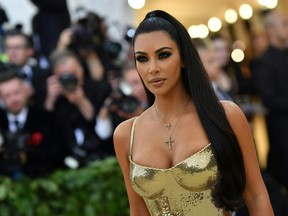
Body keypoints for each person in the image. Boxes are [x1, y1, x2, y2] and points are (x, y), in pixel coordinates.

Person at [113, 10, 274, 216]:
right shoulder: (126, 134)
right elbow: (138, 211)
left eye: (163, 55)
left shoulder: (226, 115)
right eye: (142, 59)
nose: (152, 68)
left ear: (183, 58)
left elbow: (256, 195)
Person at [45, 50, 111, 167]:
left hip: (99, 155)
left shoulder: (99, 89)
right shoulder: (55, 96)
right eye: (65, 76)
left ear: (81, 69)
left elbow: (100, 127)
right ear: (55, 77)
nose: (71, 79)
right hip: (64, 158)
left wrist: (81, 101)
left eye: (74, 73)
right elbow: (47, 129)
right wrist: (50, 100)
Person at [0, 66, 66, 179]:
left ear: (25, 91)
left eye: (16, 93)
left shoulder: (45, 118)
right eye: (7, 96)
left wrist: (28, 156)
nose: (14, 99)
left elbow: (58, 152)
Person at [252, 10, 288, 191]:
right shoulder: (264, 61)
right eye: (285, 24)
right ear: (272, 30)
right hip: (283, 134)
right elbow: (269, 99)